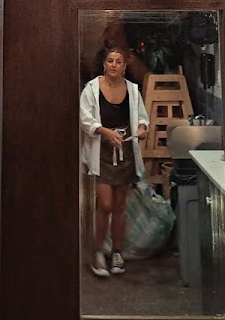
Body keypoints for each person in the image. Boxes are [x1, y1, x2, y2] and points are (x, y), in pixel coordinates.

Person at [79, 45, 149, 278]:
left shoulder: (132, 90)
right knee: (105, 204)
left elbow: (142, 118)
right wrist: (105, 132)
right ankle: (98, 252)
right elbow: (85, 119)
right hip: (102, 151)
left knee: (120, 206)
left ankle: (117, 253)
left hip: (125, 150)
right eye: (110, 61)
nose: (114, 65)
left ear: (124, 66)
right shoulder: (91, 89)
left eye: (119, 62)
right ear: (104, 64)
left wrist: (141, 128)